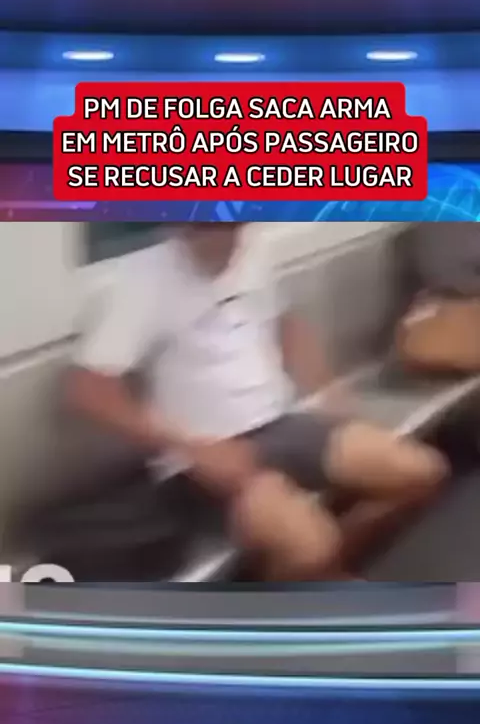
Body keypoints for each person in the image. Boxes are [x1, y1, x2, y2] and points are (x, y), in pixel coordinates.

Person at [66, 223, 449, 581]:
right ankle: (308, 587)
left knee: (421, 472)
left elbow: (287, 322)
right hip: (204, 455)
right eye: (218, 232)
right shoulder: (140, 281)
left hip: (280, 423)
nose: (233, 243)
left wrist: (324, 387)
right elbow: (89, 391)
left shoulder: (251, 251)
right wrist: (190, 447)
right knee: (310, 547)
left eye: (237, 227)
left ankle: (326, 578)